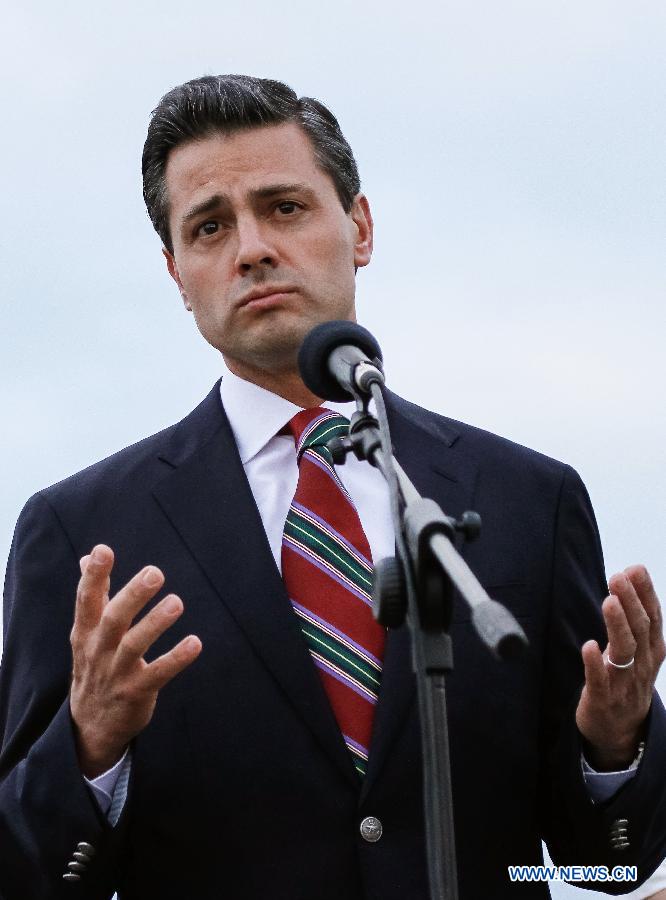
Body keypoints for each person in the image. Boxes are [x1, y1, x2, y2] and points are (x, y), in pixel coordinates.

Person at [1, 74, 665, 900]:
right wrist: (87, 747)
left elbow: (605, 862)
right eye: (209, 227)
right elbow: (22, 876)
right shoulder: (80, 532)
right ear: (177, 274)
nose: (251, 248)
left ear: (358, 226)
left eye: (284, 208)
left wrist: (617, 746)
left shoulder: (531, 499)